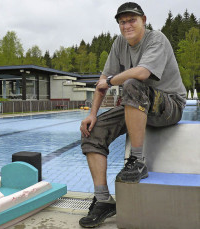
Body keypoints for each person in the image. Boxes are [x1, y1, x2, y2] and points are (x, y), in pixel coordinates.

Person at [79, 2, 186, 228]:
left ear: (144, 20)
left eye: (132, 20)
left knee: (131, 84)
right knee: (93, 131)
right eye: (122, 21)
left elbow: (142, 73)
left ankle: (137, 161)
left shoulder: (157, 39)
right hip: (139, 101)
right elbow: (102, 80)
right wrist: (92, 114)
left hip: (169, 105)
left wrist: (109, 81)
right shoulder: (119, 44)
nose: (127, 25)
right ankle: (103, 200)